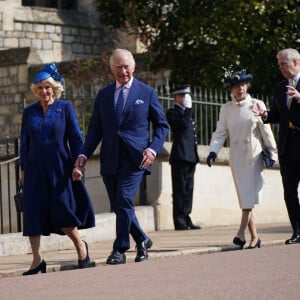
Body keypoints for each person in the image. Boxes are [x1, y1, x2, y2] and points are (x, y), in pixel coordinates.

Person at [74, 48, 169, 265]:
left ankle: (120, 248)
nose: (123, 71)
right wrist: (83, 154)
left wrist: (153, 149)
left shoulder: (146, 93)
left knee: (124, 198)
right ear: (112, 69)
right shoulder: (104, 95)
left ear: (133, 67)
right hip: (110, 158)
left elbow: (162, 126)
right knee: (119, 204)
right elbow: (95, 129)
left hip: (136, 158)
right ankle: (142, 239)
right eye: (118, 67)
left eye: (126, 66)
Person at [19, 63, 95, 275]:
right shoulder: (29, 112)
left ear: (54, 88)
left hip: (60, 169)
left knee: (63, 212)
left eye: (47, 87)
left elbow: (75, 139)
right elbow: (24, 142)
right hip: (34, 170)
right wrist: (23, 169)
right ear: (36, 90)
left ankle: (80, 246)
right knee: (33, 213)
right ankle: (37, 260)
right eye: (40, 88)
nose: (44, 91)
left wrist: (78, 164)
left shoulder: (65, 108)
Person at [206, 69, 278, 249]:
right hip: (236, 158)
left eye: (243, 85)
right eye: (236, 86)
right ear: (231, 89)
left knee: (249, 197)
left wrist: (273, 152)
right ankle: (254, 237)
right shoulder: (226, 109)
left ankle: (240, 233)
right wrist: (214, 150)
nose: (240, 89)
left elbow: (266, 132)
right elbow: (220, 132)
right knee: (245, 198)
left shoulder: (256, 104)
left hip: (253, 156)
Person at [254, 48, 300, 244]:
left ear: (296, 63)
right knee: (289, 191)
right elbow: (277, 115)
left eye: (284, 64)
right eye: (279, 64)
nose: (280, 68)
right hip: (287, 147)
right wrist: (264, 115)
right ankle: (297, 231)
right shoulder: (280, 87)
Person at [166, 85, 201, 230]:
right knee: (180, 190)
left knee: (188, 189)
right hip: (180, 156)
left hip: (190, 156)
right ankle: (179, 219)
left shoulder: (187, 113)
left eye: (187, 96)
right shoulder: (173, 112)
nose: (187, 99)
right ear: (177, 97)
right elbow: (182, 126)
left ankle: (186, 217)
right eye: (184, 96)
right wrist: (187, 109)